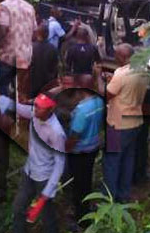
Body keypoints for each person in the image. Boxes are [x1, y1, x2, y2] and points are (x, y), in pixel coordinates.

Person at [0, 93, 65, 233]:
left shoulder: (56, 133)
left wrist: (48, 190)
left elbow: (60, 163)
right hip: (29, 172)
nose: (35, 109)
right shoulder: (35, 115)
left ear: (50, 110)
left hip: (44, 178)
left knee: (47, 216)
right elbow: (19, 108)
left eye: (40, 108)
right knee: (18, 207)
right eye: (35, 105)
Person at [100, 44, 150, 203]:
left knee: (111, 161)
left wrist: (98, 79)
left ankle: (108, 198)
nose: (114, 58)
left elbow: (106, 95)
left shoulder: (121, 73)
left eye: (116, 56)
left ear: (122, 57)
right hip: (135, 121)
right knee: (128, 159)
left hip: (118, 124)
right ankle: (124, 194)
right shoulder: (144, 71)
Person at [65, 87, 104, 227]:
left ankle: (82, 218)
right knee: (86, 180)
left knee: (78, 185)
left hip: (79, 152)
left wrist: (66, 148)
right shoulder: (99, 101)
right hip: (93, 147)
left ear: (80, 91)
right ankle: (87, 209)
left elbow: (75, 135)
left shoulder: (81, 110)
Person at [0, 0, 37, 97]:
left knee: (2, 87)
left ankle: (4, 113)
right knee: (19, 90)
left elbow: (3, 29)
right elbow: (34, 33)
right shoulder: (29, 7)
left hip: (8, 56)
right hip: (25, 57)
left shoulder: (4, 6)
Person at [30, 22, 59, 98]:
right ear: (48, 34)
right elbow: (55, 69)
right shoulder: (53, 49)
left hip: (33, 83)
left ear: (37, 33)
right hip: (47, 84)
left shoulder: (31, 48)